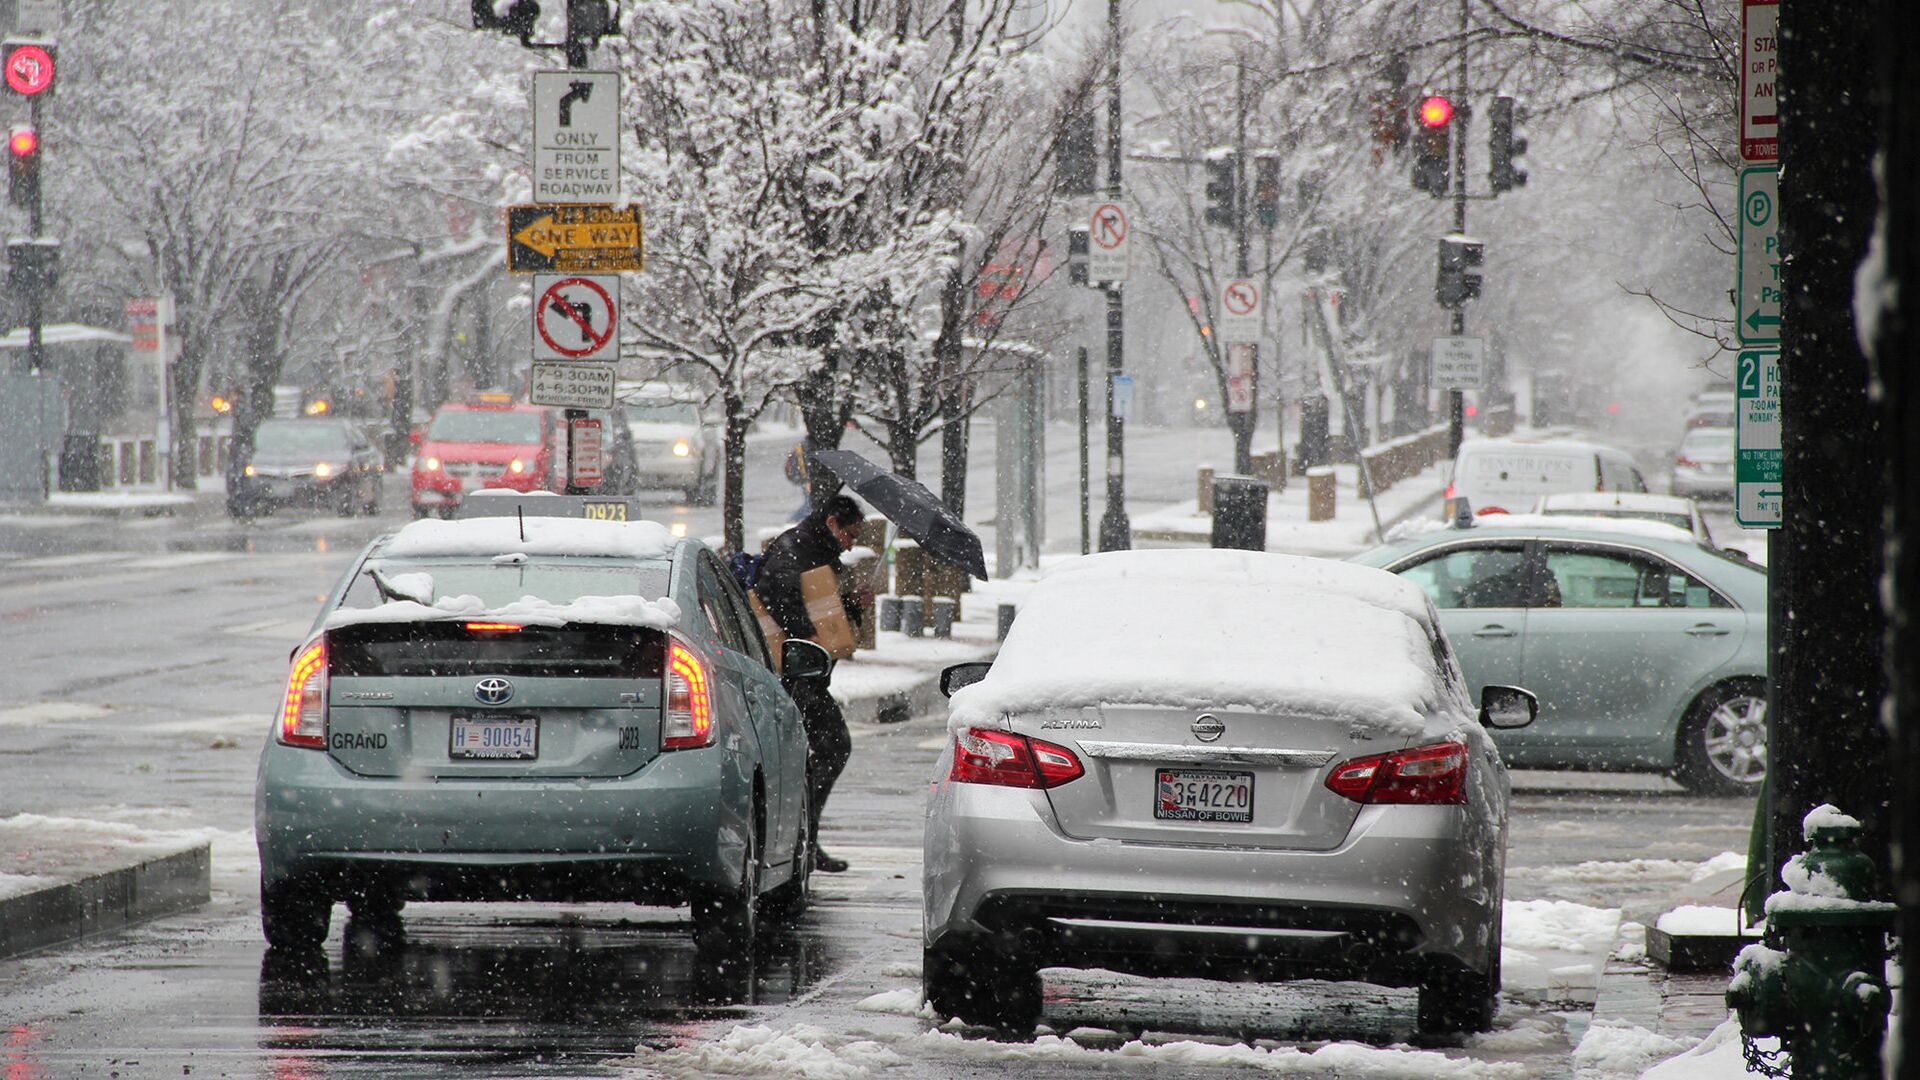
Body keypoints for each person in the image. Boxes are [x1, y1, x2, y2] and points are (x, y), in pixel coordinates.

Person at [756, 493, 867, 873]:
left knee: (818, 754)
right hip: (792, 678)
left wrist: (852, 605)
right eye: (850, 534)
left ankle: (803, 840)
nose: (852, 543)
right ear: (833, 523)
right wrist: (806, 636)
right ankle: (801, 840)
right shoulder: (797, 547)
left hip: (806, 676)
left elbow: (821, 605)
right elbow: (775, 596)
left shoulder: (816, 551)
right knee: (832, 747)